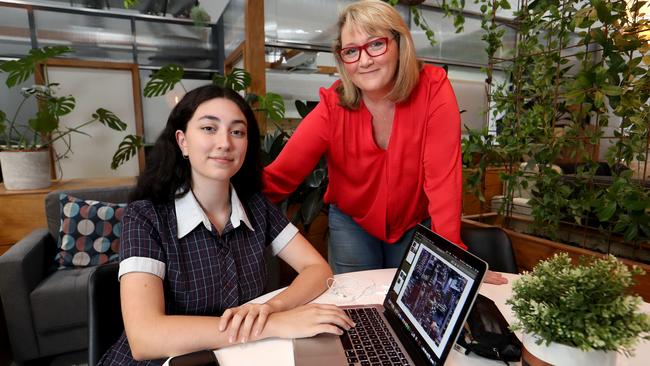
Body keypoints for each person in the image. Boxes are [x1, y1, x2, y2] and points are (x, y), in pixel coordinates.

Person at [98, 85, 354, 365]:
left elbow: (317, 269)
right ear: (182, 141)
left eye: (237, 132)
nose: (225, 143)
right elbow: (145, 337)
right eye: (209, 128)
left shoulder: (256, 207)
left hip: (234, 357)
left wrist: (270, 308)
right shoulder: (146, 217)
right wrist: (273, 324)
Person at [263, 0, 506, 284]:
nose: (364, 61)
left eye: (376, 45)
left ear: (399, 43)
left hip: (413, 220)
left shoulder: (432, 88)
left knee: (410, 306)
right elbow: (281, 176)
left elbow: (442, 180)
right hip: (352, 222)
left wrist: (454, 257)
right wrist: (217, 196)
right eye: (351, 51)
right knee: (357, 307)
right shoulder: (334, 105)